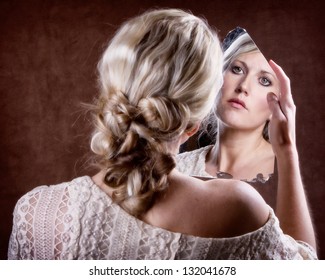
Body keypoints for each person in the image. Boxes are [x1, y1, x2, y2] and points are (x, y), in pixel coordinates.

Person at [8, 10, 316, 260]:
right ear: (193, 124)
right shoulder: (238, 207)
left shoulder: (36, 213)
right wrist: (287, 152)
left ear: (112, 93)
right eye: (236, 71)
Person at [177, 28, 278, 209]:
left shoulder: (285, 173)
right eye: (237, 69)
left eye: (264, 80)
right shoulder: (176, 166)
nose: (243, 86)